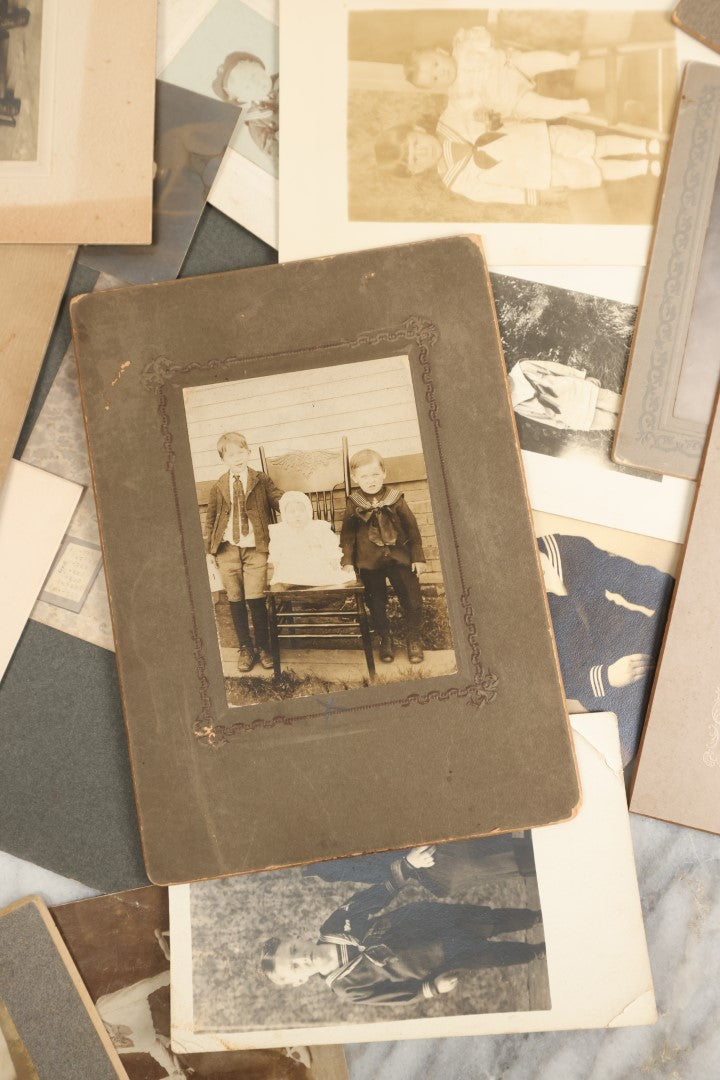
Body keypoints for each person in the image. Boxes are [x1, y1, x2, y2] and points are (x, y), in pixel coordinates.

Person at [260, 858, 544, 1005]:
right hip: (436, 960)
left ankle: (536, 918)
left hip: (429, 920)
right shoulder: (346, 989)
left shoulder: (333, 926)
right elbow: (394, 996)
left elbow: (373, 898)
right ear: (298, 981)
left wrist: (407, 868)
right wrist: (430, 989)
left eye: (293, 951)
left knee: (489, 920)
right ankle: (536, 952)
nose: (302, 959)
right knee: (489, 955)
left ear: (295, 939)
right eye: (295, 967)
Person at [537, 533, 674, 764]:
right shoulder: (509, 612)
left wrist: (686, 602)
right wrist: (607, 676)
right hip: (610, 690)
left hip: (643, 642)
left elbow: (634, 578)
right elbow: (545, 677)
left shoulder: (564, 549)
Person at [374, 114, 662, 206]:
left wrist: (489, 113)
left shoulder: (452, 119)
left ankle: (643, 144)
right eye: (414, 159)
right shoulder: (456, 181)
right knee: (594, 170)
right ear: (416, 171)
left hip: (537, 136)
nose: (421, 152)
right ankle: (642, 166)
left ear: (417, 130)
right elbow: (499, 194)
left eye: (415, 144)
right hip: (539, 174)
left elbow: (482, 101)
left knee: (593, 143)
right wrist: (538, 196)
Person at [205, 432, 284, 673]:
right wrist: (210, 550)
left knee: (256, 598)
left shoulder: (261, 480)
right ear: (223, 459)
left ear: (248, 453)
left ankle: (262, 647)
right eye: (231, 455)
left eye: (241, 452)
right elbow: (210, 520)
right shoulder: (219, 485)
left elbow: (278, 500)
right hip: (227, 549)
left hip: (255, 548)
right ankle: (245, 648)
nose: (237, 458)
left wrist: (293, 505)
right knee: (235, 599)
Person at [340, 449, 426, 664]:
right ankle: (385, 638)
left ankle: (413, 638)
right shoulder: (354, 502)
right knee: (376, 603)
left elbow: (412, 528)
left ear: (384, 474)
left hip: (400, 559)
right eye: (365, 476)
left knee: (412, 598)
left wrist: (417, 557)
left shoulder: (395, 499)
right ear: (355, 478)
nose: (371, 481)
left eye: (375, 474)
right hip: (370, 563)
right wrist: (348, 562)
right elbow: (348, 535)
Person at [405, 26, 589, 121]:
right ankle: (574, 106)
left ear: (441, 52)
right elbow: (474, 111)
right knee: (536, 107)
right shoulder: (457, 98)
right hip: (511, 99)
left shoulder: (462, 48)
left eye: (436, 64)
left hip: (510, 66)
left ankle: (566, 61)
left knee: (532, 60)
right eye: (435, 78)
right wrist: (480, 114)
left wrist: (480, 38)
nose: (441, 72)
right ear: (435, 87)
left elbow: (483, 38)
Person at [303, 835, 536, 896]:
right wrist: (408, 863)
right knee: (465, 864)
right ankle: (533, 859)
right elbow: (380, 874)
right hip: (419, 861)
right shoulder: (326, 867)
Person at [268, 491, 356, 587]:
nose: (297, 514)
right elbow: (276, 554)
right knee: (283, 579)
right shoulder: (280, 531)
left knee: (332, 578)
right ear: (285, 515)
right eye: (291, 512)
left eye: (301, 510)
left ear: (308, 511)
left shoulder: (318, 527)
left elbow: (330, 548)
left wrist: (334, 567)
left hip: (317, 568)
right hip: (292, 570)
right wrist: (278, 571)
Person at [507, 358, 621, 431]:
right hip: (575, 415)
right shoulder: (517, 405)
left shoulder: (523, 368)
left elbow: (556, 368)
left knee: (618, 403)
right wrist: (565, 425)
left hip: (579, 390)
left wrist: (582, 377)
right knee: (612, 423)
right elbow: (544, 418)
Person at [212, 51, 279, 168]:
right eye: (247, 87)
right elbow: (275, 154)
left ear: (259, 65)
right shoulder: (257, 122)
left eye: (253, 75)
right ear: (242, 99)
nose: (255, 83)